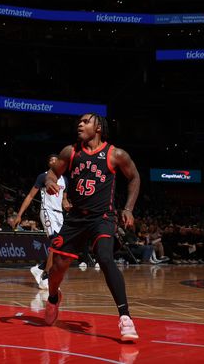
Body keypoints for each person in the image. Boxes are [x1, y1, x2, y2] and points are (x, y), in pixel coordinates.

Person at [42, 113, 141, 342]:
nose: (80, 124)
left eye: (86, 121)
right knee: (57, 267)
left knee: (105, 258)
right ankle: (53, 298)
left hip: (102, 218)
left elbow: (134, 177)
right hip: (75, 219)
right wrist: (49, 182)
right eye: (79, 121)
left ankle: (125, 318)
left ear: (98, 128)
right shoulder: (70, 151)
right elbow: (53, 172)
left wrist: (128, 208)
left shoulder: (115, 154)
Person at [12, 154, 68, 290]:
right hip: (47, 211)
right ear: (49, 164)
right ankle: (46, 277)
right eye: (51, 160)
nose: (54, 161)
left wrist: (66, 203)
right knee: (55, 242)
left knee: (62, 246)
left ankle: (40, 268)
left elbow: (64, 198)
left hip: (59, 214)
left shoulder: (65, 179)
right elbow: (31, 196)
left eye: (56, 160)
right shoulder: (43, 177)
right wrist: (19, 214)